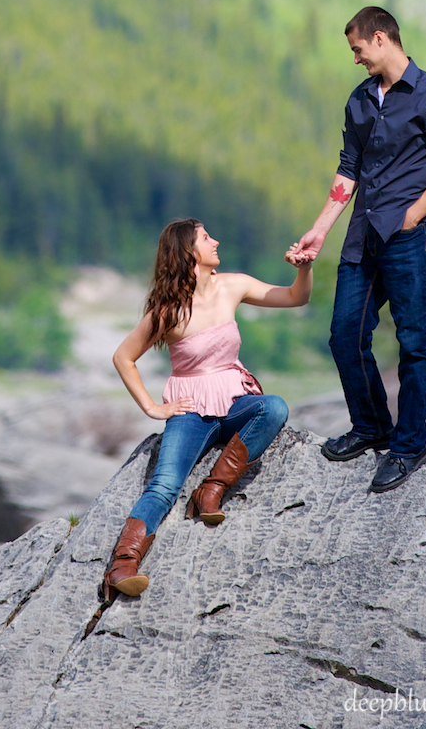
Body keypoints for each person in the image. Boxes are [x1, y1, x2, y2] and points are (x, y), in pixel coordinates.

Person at [288, 6, 426, 492]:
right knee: (345, 333)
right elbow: (349, 168)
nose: (355, 59)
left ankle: (409, 445)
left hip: (410, 235)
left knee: (416, 343)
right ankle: (371, 427)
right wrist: (320, 229)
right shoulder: (360, 100)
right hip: (363, 235)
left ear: (381, 38)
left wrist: (414, 215)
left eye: (357, 48)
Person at [105, 217, 312, 599]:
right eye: (205, 237)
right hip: (191, 412)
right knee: (165, 485)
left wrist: (305, 269)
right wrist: (152, 407)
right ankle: (122, 565)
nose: (215, 241)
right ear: (189, 252)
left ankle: (212, 489)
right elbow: (123, 357)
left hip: (234, 402)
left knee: (275, 408)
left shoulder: (232, 285)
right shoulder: (168, 310)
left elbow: (295, 297)